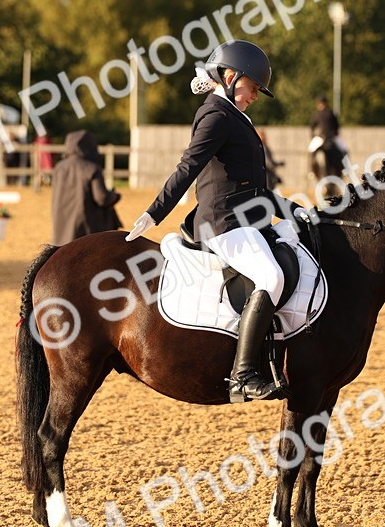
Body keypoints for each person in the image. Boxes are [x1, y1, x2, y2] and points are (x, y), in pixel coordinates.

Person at [125, 40, 308, 403]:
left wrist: (290, 208)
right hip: (224, 223)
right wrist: (154, 213)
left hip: (248, 219)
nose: (255, 95)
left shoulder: (236, 116)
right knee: (270, 277)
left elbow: (254, 188)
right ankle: (243, 375)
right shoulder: (216, 115)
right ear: (230, 76)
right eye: (253, 86)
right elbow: (188, 168)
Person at [51, 129, 122, 245]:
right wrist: (114, 196)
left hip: (61, 229)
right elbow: (102, 198)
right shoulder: (91, 168)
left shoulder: (59, 168)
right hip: (85, 231)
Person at [308, 95, 345, 186]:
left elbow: (336, 126)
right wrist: (314, 135)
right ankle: (312, 171)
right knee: (311, 150)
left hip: (331, 138)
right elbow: (312, 126)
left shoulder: (331, 113)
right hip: (321, 138)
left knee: (344, 149)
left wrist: (335, 134)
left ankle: (345, 168)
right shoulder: (317, 114)